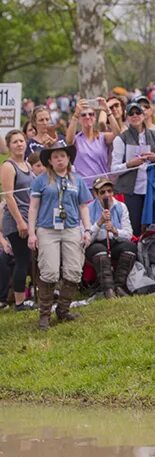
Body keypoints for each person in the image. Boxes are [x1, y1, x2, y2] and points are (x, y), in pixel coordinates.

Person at [27, 141, 93, 331]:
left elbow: (83, 206)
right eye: (55, 157)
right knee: (49, 272)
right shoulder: (41, 180)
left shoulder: (77, 180)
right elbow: (33, 207)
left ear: (68, 158)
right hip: (47, 229)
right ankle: (44, 315)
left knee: (74, 271)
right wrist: (32, 233)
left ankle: (63, 310)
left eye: (62, 156)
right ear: (50, 160)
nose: (59, 160)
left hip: (71, 228)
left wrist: (87, 229)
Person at [110, 101, 155, 229]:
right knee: (134, 228)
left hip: (152, 190)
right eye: (131, 113)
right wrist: (129, 165)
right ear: (126, 118)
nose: (135, 116)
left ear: (144, 115)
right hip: (130, 193)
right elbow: (114, 170)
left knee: (154, 228)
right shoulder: (121, 139)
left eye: (138, 112)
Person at [84, 177, 138, 299]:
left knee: (130, 247)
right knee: (99, 250)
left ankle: (119, 286)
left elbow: (129, 234)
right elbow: (85, 239)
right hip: (95, 243)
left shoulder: (121, 207)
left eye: (109, 191)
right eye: (102, 192)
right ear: (95, 194)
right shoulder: (88, 209)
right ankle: (107, 289)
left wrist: (114, 230)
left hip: (115, 241)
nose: (107, 195)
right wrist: (99, 223)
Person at [1, 130, 36, 312]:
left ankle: (28, 296)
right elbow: (9, 196)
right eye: (15, 142)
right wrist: (20, 222)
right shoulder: (8, 166)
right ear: (9, 146)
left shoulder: (28, 165)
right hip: (16, 221)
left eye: (21, 141)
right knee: (22, 260)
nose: (19, 144)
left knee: (27, 260)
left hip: (29, 217)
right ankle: (19, 302)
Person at [65, 97, 119, 183]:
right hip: (84, 187)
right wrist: (75, 114)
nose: (87, 117)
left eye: (91, 114)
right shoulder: (77, 139)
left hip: (102, 185)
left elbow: (117, 134)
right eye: (83, 115)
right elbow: (68, 141)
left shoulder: (102, 137)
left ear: (95, 118)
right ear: (79, 119)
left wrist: (107, 110)